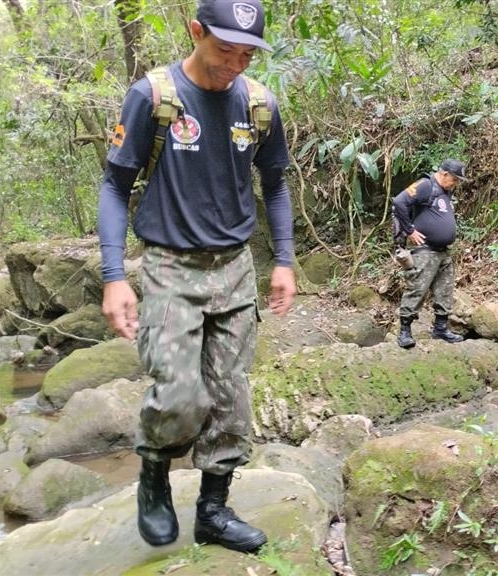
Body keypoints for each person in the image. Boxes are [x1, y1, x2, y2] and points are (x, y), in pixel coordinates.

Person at [97, 0, 293, 553]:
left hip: (234, 267)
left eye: (247, 53)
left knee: (232, 398)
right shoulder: (153, 97)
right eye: (224, 48)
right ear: (196, 31)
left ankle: (213, 509)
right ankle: (154, 473)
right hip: (168, 265)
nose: (235, 63)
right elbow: (115, 186)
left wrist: (283, 260)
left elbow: (275, 183)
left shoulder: (258, 104)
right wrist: (114, 276)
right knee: (180, 392)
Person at [392, 159, 469, 349]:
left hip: (443, 252)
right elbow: (399, 202)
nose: (456, 184)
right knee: (417, 288)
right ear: (444, 174)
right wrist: (410, 230)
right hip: (425, 250)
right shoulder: (426, 185)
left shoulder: (445, 192)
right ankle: (404, 332)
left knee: (445, 290)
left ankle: (441, 329)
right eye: (454, 180)